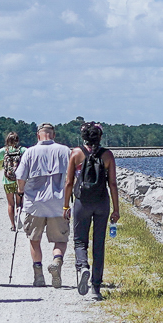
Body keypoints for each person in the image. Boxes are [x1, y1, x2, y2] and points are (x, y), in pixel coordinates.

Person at [64, 122, 121, 301]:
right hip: (102, 202)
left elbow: (68, 183)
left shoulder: (76, 153)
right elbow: (112, 183)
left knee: (80, 241)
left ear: (84, 137)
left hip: (82, 201)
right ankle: (96, 288)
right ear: (100, 137)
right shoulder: (108, 155)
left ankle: (83, 267)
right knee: (99, 244)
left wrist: (66, 206)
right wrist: (116, 209)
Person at [14, 122, 73, 287]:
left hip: (35, 203)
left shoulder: (29, 152)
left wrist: (20, 192)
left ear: (38, 135)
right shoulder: (64, 151)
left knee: (34, 239)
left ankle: (38, 275)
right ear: (53, 135)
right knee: (60, 238)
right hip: (59, 203)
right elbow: (72, 177)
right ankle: (57, 261)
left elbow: (20, 177)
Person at [0, 131, 25, 231]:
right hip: (19, 181)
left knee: (10, 204)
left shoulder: (5, 150)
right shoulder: (22, 150)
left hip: (7, 181)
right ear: (17, 140)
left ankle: (13, 225)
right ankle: (19, 216)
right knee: (19, 203)